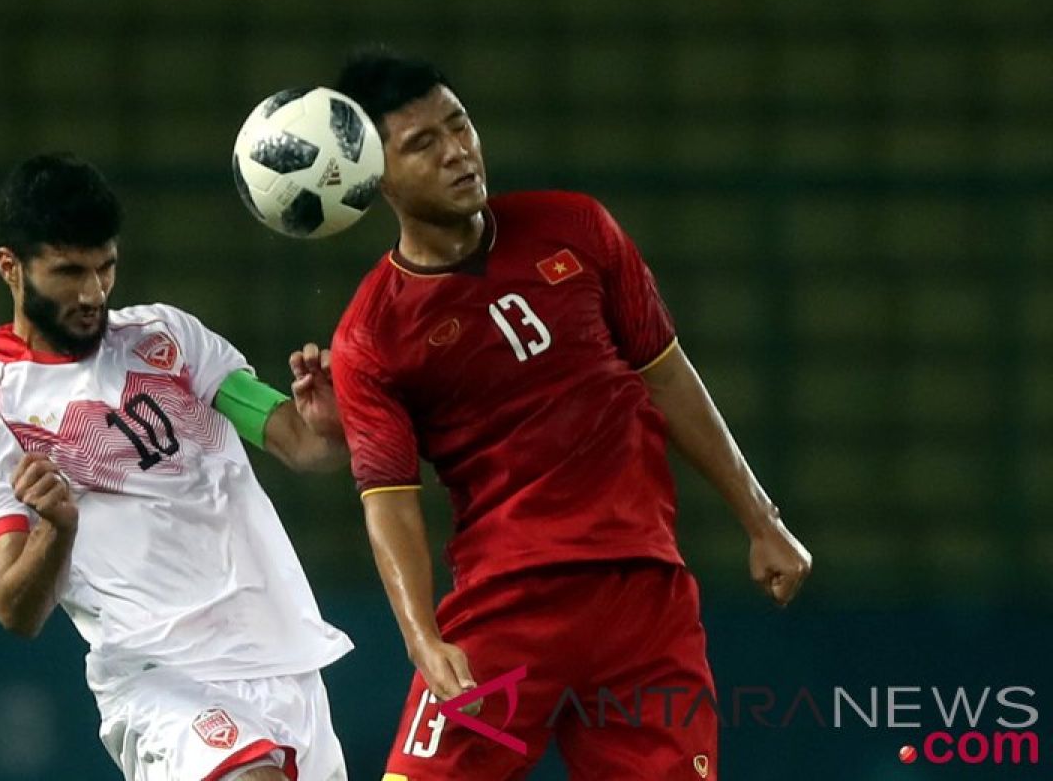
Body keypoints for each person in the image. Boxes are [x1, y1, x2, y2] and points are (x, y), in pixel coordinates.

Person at [330, 52, 813, 780]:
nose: (458, 152)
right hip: (507, 605)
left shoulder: (575, 227)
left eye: (459, 126)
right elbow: (390, 501)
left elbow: (669, 377)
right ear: (375, 176)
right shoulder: (370, 335)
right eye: (423, 145)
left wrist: (762, 521)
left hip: (643, 599)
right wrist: (422, 638)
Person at [0, 152, 353, 781]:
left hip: (284, 659)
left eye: (104, 268)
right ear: (10, 268)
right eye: (68, 272)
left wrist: (330, 421)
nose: (91, 293)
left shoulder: (170, 337)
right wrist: (57, 526)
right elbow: (15, 610)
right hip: (161, 678)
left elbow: (303, 447)